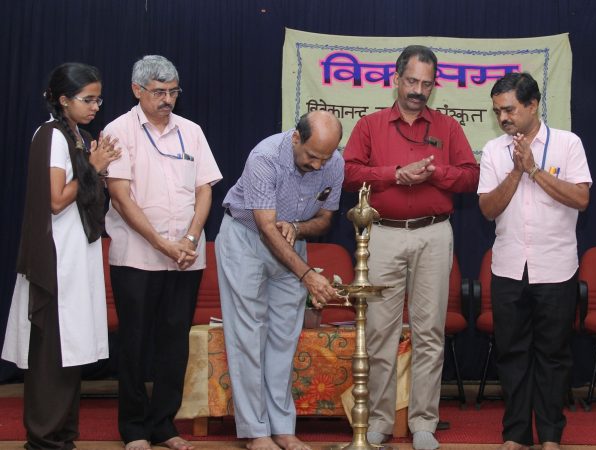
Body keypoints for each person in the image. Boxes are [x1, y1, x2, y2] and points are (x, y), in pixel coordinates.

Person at [343, 45, 479, 450]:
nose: (419, 90)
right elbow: (347, 173)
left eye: (427, 83)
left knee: (429, 332)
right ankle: (380, 420)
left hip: (433, 234)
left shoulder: (448, 127)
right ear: (396, 79)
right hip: (382, 234)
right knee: (380, 333)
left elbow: (471, 177)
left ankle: (423, 422)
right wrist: (396, 175)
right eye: (412, 81)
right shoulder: (369, 125)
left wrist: (436, 173)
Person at [103, 55, 222, 450]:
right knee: (135, 344)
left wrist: (191, 238)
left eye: (173, 91)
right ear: (137, 90)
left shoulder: (192, 131)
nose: (167, 99)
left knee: (174, 344)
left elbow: (204, 189)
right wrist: (162, 243)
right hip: (137, 258)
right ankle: (134, 429)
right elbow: (120, 197)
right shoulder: (118, 130)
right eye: (159, 92)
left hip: (186, 258)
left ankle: (164, 425)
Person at [2, 62, 120, 449]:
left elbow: (83, 194)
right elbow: (55, 200)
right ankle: (44, 439)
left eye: (98, 99)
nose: (96, 106)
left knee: (70, 352)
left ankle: (62, 437)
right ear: (64, 100)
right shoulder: (51, 135)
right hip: (56, 258)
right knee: (52, 353)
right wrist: (93, 167)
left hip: (76, 253)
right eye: (89, 100)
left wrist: (96, 169)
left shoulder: (78, 136)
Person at [477, 72, 591, 450]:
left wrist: (535, 170)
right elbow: (488, 209)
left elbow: (581, 199)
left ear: (532, 105)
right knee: (512, 354)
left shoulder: (568, 144)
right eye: (497, 111)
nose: (503, 118)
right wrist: (516, 170)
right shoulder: (494, 150)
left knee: (553, 356)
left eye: (509, 109)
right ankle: (516, 434)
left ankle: (551, 435)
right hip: (509, 267)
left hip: (556, 267)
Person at [215, 110, 343, 450]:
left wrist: (298, 228)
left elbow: (325, 219)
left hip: (291, 242)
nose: (318, 165)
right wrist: (307, 275)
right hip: (246, 239)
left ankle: (283, 428)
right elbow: (266, 227)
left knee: (285, 338)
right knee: (248, 336)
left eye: (325, 158)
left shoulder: (334, 163)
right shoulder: (265, 157)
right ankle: (256, 432)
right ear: (296, 138)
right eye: (312, 156)